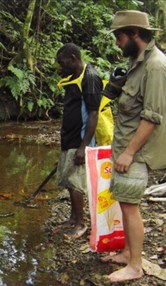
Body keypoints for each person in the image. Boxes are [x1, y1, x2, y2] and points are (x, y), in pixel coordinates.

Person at [101, 10, 166, 282]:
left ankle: (135, 266)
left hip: (136, 151)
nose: (117, 43)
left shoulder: (156, 66)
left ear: (134, 33)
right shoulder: (138, 62)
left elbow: (152, 117)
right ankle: (126, 252)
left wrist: (130, 152)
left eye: (119, 37)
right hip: (125, 147)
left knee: (131, 206)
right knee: (124, 201)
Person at [55, 43, 103, 239]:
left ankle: (81, 223)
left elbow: (93, 114)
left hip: (80, 140)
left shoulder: (90, 77)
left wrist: (83, 147)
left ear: (73, 58)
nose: (61, 66)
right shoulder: (73, 78)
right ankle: (73, 218)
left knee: (76, 183)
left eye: (63, 62)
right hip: (69, 138)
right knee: (68, 180)